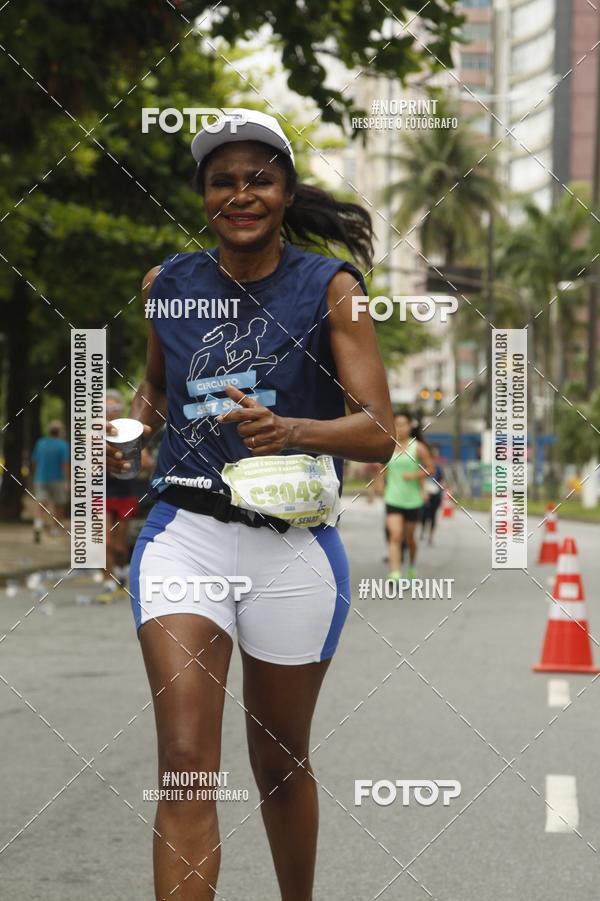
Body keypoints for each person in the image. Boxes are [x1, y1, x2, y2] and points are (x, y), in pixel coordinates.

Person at [106, 109, 394, 901]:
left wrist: (290, 427)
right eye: (223, 181)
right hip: (185, 538)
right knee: (189, 761)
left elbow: (379, 432)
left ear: (285, 191)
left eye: (258, 179)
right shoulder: (167, 285)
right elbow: (158, 393)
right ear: (204, 196)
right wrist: (127, 428)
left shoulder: (334, 289)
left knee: (277, 760)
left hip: (292, 547)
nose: (241, 194)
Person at [96, 389, 154, 603]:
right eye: (105, 409)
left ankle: (121, 570)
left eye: (114, 408)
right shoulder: (95, 433)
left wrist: (138, 459)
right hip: (101, 495)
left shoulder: (128, 431)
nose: (110, 412)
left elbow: (147, 463)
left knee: (119, 546)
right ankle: (107, 582)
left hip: (125, 496)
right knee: (104, 541)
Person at [383, 412, 432, 582]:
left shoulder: (417, 447)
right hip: (393, 498)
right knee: (395, 535)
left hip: (412, 500)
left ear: (410, 426)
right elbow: (382, 470)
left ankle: (411, 565)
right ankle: (394, 573)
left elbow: (431, 469)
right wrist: (378, 488)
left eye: (403, 424)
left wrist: (415, 476)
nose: (400, 428)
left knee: (409, 539)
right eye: (396, 424)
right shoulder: (389, 447)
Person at [30, 420, 69, 541]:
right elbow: (65, 464)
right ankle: (55, 529)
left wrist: (35, 476)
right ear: (60, 432)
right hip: (58, 479)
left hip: (41, 478)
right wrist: (68, 481)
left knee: (41, 504)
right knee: (59, 505)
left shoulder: (41, 443)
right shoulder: (62, 445)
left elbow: (34, 461)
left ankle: (38, 525)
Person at [421, 444, 445, 545]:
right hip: (425, 494)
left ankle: (430, 536)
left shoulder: (438, 468)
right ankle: (423, 530)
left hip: (435, 495)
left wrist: (441, 488)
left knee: (433, 516)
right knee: (424, 515)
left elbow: (442, 480)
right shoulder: (422, 467)